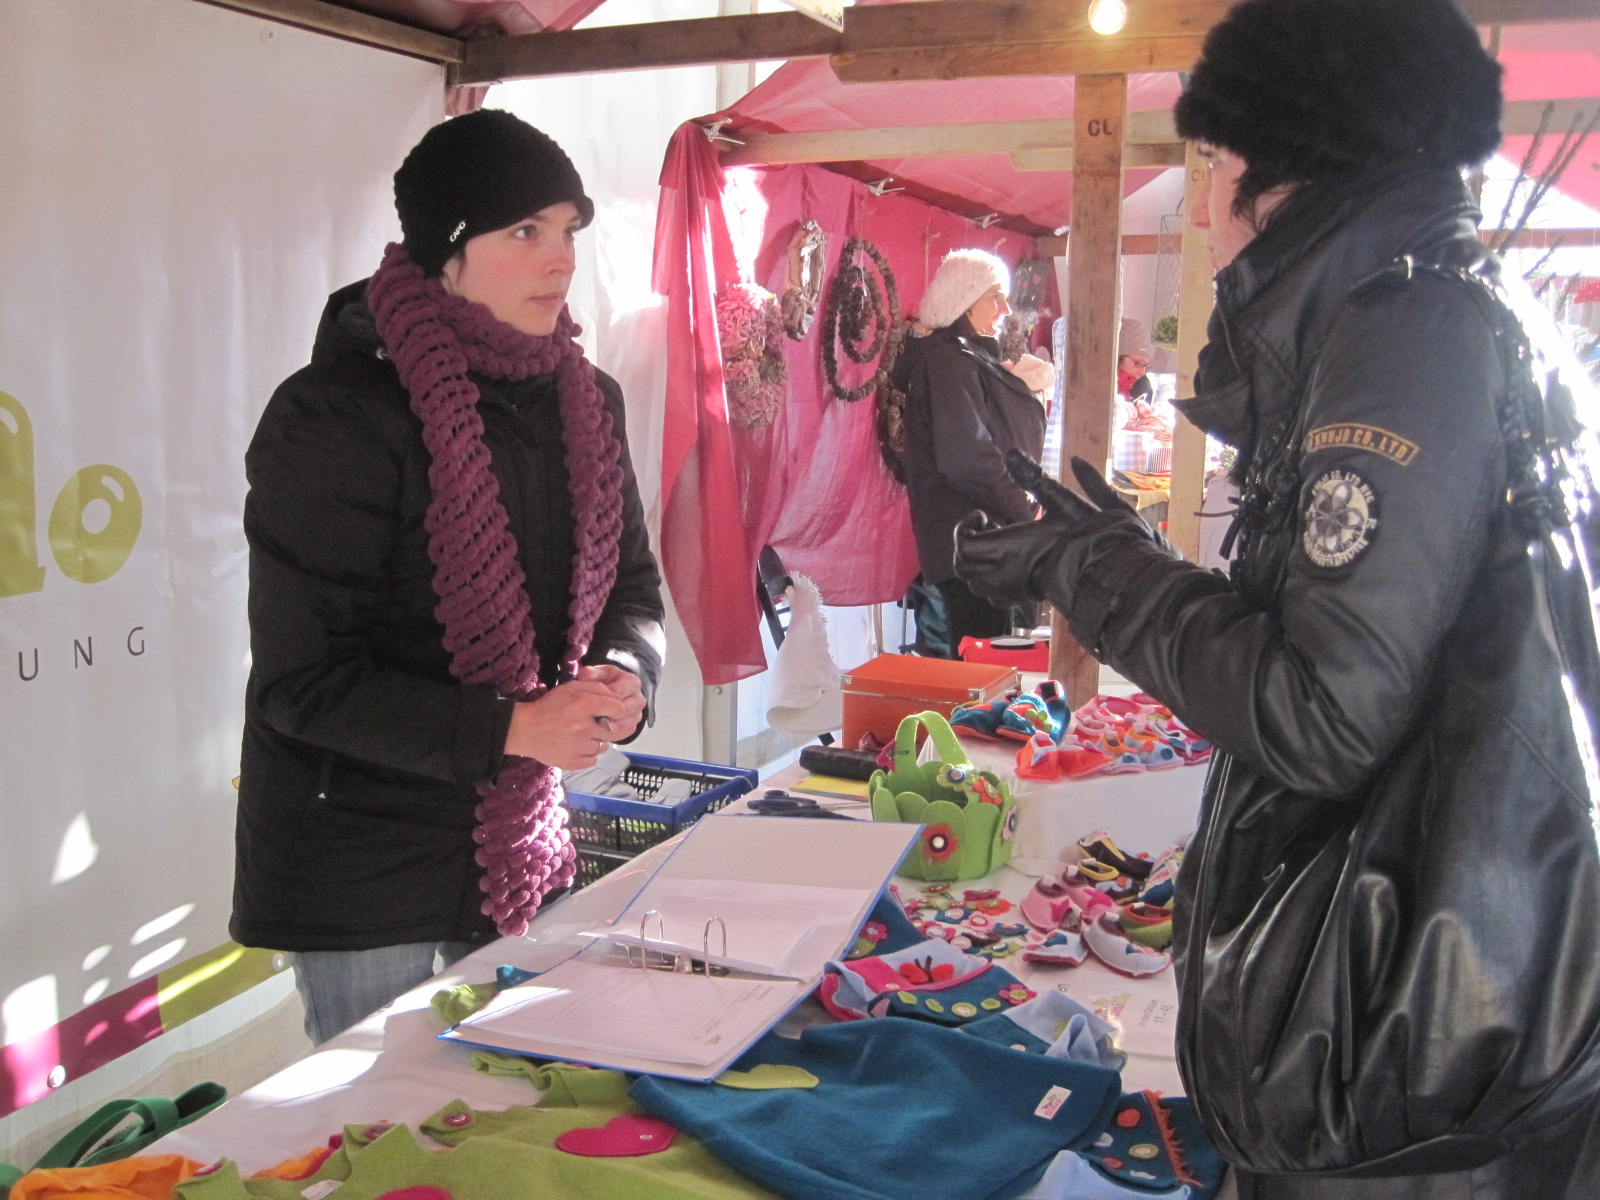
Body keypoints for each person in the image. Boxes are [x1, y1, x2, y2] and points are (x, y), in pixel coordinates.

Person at [953, 0, 1600, 1195]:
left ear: (1286, 159)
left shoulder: (1408, 332)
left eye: (1212, 163)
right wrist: (1123, 562)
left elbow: (1322, 710)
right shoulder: (1451, 309)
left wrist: (1096, 574)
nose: (1203, 207)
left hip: (1415, 1065)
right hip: (1442, 1030)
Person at [232, 110, 666, 1045]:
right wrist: (514, 726)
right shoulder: (335, 416)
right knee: (377, 1116)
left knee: (520, 1093)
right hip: (359, 862)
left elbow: (632, 588)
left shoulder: (589, 403)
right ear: (446, 252)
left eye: (568, 232)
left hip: (522, 838)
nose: (560, 261)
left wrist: (629, 675)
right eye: (525, 232)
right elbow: (302, 683)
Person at [890, 248, 1050, 655]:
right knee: (983, 666)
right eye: (995, 296)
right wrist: (1025, 507)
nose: (1005, 309)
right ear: (964, 300)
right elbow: (968, 457)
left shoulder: (963, 357)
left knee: (991, 663)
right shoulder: (947, 363)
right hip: (973, 546)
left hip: (986, 543)